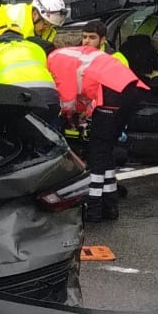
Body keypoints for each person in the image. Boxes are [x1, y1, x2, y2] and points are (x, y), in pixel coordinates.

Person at [49, 23, 147, 221]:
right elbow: (85, 91)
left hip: (113, 95)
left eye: (91, 37)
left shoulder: (55, 59)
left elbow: (67, 98)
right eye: (84, 36)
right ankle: (109, 205)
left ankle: (93, 209)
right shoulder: (76, 55)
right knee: (105, 152)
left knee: (97, 152)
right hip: (130, 93)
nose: (86, 41)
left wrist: (67, 114)